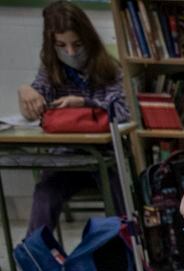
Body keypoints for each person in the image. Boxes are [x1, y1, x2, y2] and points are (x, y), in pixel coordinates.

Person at [18, 1, 129, 235]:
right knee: (44, 195)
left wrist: (85, 104)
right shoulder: (51, 70)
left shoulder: (110, 69)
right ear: (52, 45)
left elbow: (123, 111)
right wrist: (25, 92)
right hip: (64, 160)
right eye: (61, 45)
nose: (70, 52)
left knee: (120, 196)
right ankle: (36, 260)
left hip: (105, 160)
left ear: (87, 39)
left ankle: (127, 254)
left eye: (77, 44)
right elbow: (34, 110)